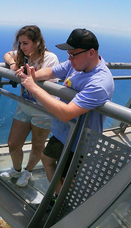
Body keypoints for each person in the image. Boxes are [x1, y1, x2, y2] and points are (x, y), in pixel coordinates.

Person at [16, 28, 114, 196]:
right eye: (69, 54)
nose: (70, 58)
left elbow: (66, 113)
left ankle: (63, 204)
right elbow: (52, 71)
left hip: (79, 142)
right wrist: (34, 76)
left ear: (91, 52)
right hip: (63, 133)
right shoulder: (77, 63)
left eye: (73, 54)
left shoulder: (99, 83)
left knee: (69, 178)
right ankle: (58, 197)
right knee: (47, 159)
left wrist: (32, 87)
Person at [0, 25, 59, 187]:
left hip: (43, 110)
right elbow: (7, 54)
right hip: (24, 106)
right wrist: (13, 64)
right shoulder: (22, 55)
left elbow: (49, 80)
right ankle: (17, 169)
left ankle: (28, 172)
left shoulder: (50, 58)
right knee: (13, 144)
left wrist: (30, 75)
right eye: (20, 43)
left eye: (25, 43)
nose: (21, 47)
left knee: (37, 145)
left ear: (37, 42)